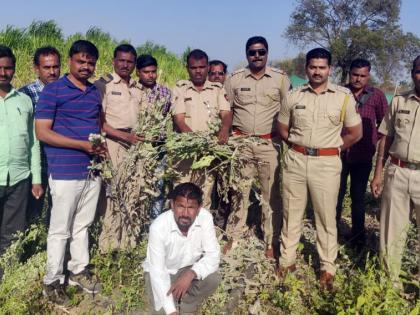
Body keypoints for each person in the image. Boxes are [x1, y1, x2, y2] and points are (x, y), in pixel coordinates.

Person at [277, 48, 362, 290]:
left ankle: (327, 267)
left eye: (322, 67)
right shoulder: (294, 96)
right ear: (306, 69)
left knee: (325, 218)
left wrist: (332, 148)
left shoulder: (343, 97)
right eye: (313, 67)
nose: (317, 71)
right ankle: (287, 261)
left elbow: (356, 133)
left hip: (326, 165)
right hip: (296, 161)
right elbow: (283, 127)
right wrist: (297, 146)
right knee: (291, 213)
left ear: (329, 69)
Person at [35, 40, 105, 304]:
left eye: (90, 63)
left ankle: (78, 270)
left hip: (91, 171)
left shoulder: (93, 92)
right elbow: (43, 132)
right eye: (81, 61)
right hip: (64, 170)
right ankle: (52, 281)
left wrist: (98, 148)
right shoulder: (53, 91)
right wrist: (81, 145)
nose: (86, 66)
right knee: (60, 229)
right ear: (70, 61)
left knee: (82, 226)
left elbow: (96, 126)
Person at [224, 36, 290, 258]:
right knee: (239, 191)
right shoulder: (234, 79)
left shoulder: (280, 79)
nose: (257, 56)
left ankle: (270, 240)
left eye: (261, 52)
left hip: (268, 144)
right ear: (246, 55)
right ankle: (234, 235)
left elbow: (287, 111)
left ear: (267, 53)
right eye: (252, 52)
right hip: (241, 143)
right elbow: (228, 110)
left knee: (270, 195)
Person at [371, 55, 420, 286]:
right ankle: (389, 284)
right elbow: (386, 138)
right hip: (397, 172)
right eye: (419, 70)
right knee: (391, 231)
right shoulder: (399, 102)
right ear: (412, 73)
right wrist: (378, 171)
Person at [95, 44, 144, 252]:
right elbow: (100, 123)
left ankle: (127, 244)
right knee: (112, 195)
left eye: (130, 62)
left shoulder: (137, 88)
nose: (125, 65)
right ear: (114, 61)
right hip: (114, 143)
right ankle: (108, 246)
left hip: (135, 146)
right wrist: (124, 136)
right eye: (121, 61)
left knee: (133, 192)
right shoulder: (103, 85)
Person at [143, 182, 221, 315]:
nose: (185, 213)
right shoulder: (158, 228)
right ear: (172, 205)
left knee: (212, 279)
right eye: (180, 206)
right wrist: (171, 311)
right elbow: (158, 273)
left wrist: (191, 274)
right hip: (162, 272)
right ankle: (174, 304)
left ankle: (187, 306)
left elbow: (213, 255)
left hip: (188, 269)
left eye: (191, 207)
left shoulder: (205, 218)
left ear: (199, 208)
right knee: (163, 310)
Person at [336, 58, 388, 247]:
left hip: (363, 156)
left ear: (368, 76)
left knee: (358, 196)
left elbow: (385, 124)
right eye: (355, 75)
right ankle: (332, 232)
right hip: (338, 153)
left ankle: (357, 235)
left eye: (362, 76)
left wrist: (373, 138)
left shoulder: (377, 96)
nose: (358, 79)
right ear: (350, 73)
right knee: (336, 194)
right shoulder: (339, 92)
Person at [0, 45, 43, 273]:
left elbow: (34, 142)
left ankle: (6, 280)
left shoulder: (24, 101)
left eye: (8, 68)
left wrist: (36, 178)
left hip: (19, 178)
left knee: (13, 233)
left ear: (14, 69)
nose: (3, 73)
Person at [172, 49, 231, 209]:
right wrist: (195, 141)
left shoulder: (217, 89)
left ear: (207, 67)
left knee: (203, 197)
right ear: (187, 68)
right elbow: (179, 120)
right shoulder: (180, 88)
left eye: (202, 67)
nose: (198, 71)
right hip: (185, 151)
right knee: (181, 196)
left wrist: (224, 129)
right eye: (193, 67)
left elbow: (225, 113)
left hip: (208, 154)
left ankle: (201, 232)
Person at [19, 46, 61, 222]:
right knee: (32, 211)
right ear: (36, 68)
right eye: (46, 67)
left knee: (58, 211)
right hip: (37, 164)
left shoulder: (66, 91)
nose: (52, 72)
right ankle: (31, 244)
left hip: (60, 162)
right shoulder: (25, 94)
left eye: (55, 67)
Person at [136, 54, 172, 218]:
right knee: (138, 186)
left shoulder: (165, 92)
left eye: (153, 72)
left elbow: (169, 118)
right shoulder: (133, 90)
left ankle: (154, 222)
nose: (150, 75)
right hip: (137, 147)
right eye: (146, 72)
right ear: (138, 72)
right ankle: (138, 222)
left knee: (157, 185)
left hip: (158, 148)